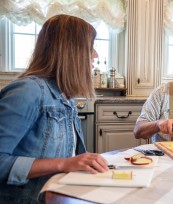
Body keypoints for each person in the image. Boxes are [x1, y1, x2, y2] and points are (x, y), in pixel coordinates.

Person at [0, 14, 109, 203]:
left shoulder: (65, 97)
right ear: (71, 51)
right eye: (91, 48)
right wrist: (64, 164)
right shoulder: (28, 91)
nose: (95, 55)